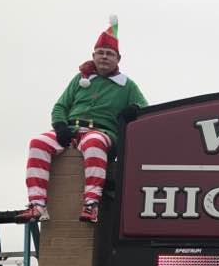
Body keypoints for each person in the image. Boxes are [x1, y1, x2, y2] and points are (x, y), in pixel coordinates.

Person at [15, 16, 148, 224]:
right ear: (93, 56)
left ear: (118, 59)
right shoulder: (80, 80)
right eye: (100, 53)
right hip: (71, 129)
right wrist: (60, 126)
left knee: (94, 143)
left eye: (110, 54)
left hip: (102, 132)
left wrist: (134, 109)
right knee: (38, 142)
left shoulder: (127, 86)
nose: (104, 57)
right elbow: (60, 106)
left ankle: (91, 203)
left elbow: (145, 107)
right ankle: (37, 204)